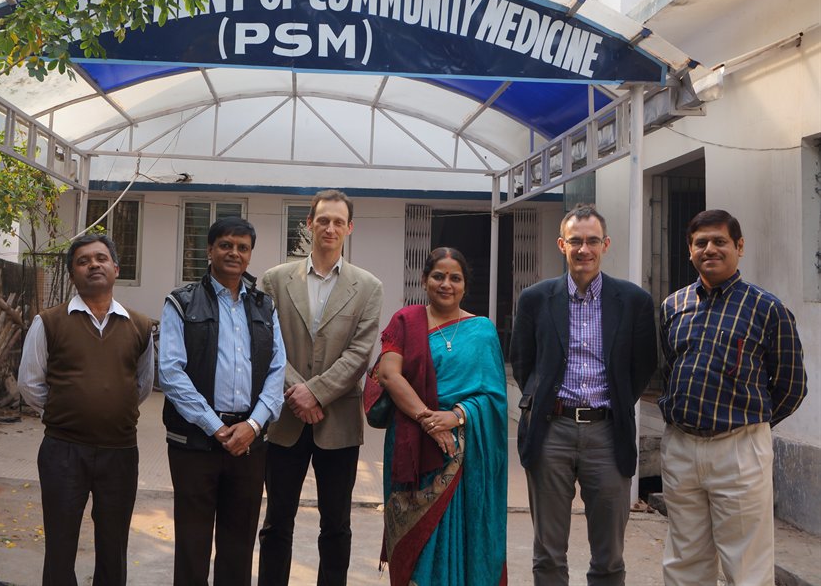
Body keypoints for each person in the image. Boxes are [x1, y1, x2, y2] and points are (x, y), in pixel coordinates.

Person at [511, 204, 657, 586]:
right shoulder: (535, 299)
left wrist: (616, 402)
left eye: (592, 241)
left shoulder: (634, 301)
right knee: (548, 554)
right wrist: (545, 400)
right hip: (551, 431)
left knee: (609, 557)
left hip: (607, 433)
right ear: (562, 244)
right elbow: (523, 362)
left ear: (605, 244)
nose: (584, 249)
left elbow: (644, 365)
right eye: (575, 241)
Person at [660, 209, 807, 585]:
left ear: (739, 246)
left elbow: (792, 386)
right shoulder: (674, 306)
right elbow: (670, 370)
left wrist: (750, 422)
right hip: (681, 448)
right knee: (684, 560)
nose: (709, 249)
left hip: (740, 450)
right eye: (700, 242)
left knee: (747, 567)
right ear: (690, 250)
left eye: (719, 241)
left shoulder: (767, 309)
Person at [257, 190, 383, 586]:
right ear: (309, 223)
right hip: (285, 420)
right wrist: (299, 393)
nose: (330, 228)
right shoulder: (275, 280)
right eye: (323, 220)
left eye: (338, 221)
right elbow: (267, 344)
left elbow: (360, 353)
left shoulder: (368, 287)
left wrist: (316, 393)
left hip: (338, 422)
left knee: (336, 526)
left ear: (349, 228)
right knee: (277, 522)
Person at [17, 234, 154, 586]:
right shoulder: (49, 322)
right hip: (63, 451)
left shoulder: (139, 326)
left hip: (120, 451)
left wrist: (110, 408)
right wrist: (67, 411)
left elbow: (142, 385)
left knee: (114, 544)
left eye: (101, 258)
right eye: (83, 261)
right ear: (72, 274)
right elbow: (30, 384)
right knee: (60, 544)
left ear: (116, 268)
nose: (93, 264)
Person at [159, 216, 286, 586]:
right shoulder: (180, 302)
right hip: (194, 442)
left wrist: (253, 425)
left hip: (249, 444)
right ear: (209, 250)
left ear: (250, 255)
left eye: (242, 247)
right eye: (226, 245)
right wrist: (215, 426)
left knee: (239, 543)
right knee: (192, 542)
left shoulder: (265, 306)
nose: (234, 253)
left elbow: (277, 369)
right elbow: (170, 372)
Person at [374, 247, 508, 586]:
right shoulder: (405, 321)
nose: (446, 284)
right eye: (438, 276)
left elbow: (494, 397)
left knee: (462, 537)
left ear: (465, 286)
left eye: (455, 278)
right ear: (424, 280)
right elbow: (389, 375)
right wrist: (430, 421)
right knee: (418, 548)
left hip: (464, 454)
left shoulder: (482, 331)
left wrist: (457, 415)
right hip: (413, 448)